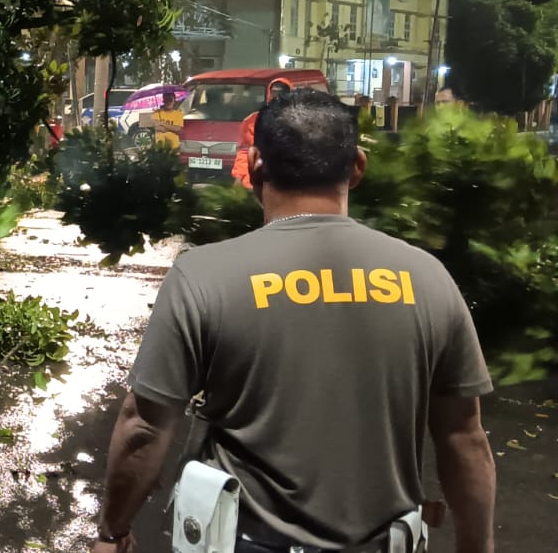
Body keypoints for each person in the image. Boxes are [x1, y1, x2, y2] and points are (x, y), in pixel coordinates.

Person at [89, 88, 496, 553]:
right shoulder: (427, 278)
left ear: (256, 164)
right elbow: (464, 438)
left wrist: (112, 532)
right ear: (357, 166)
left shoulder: (203, 275)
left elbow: (144, 427)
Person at [230, 80, 291, 189]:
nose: (276, 96)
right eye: (273, 92)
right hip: (255, 183)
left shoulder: (296, 121)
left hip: (285, 186)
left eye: (281, 92)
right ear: (269, 93)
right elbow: (244, 152)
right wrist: (239, 176)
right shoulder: (252, 121)